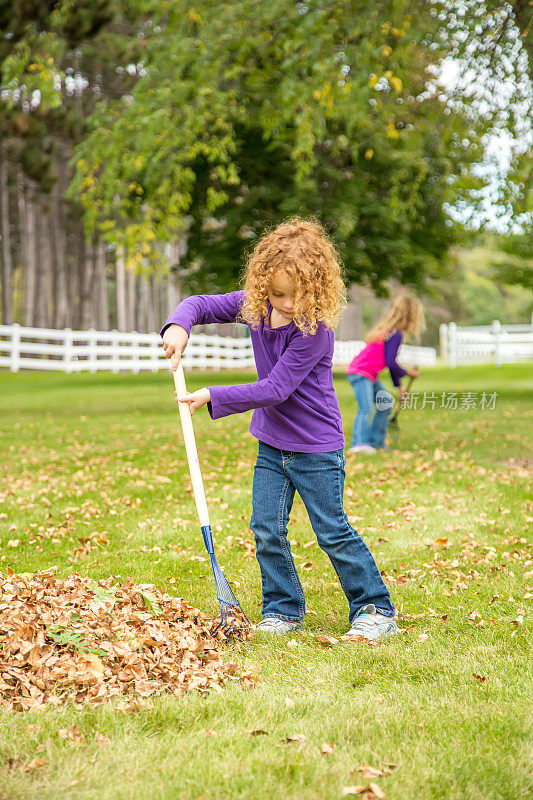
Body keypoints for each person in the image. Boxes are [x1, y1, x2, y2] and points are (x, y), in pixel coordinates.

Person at [161, 219, 396, 643]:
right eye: (278, 294)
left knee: (331, 531)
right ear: (262, 287)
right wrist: (179, 326)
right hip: (272, 443)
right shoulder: (255, 308)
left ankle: (374, 608)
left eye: (297, 294)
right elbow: (197, 303)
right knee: (267, 528)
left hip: (315, 446)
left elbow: (276, 388)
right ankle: (283, 609)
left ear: (317, 288)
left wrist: (212, 395)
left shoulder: (314, 331)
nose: (287, 304)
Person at [346, 295, 424, 454]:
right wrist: (408, 373)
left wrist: (400, 387)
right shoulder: (394, 334)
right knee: (366, 407)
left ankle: (376, 441)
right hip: (360, 373)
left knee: (386, 403)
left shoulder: (392, 333)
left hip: (369, 375)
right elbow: (391, 363)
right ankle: (359, 444)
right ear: (410, 317)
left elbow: (391, 363)